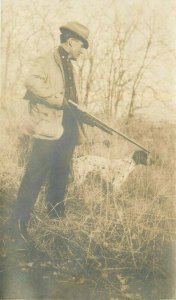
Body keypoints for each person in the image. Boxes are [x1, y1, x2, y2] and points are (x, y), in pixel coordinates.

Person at [10, 21, 89, 243]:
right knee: (35, 174)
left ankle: (55, 217)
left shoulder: (71, 66)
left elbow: (71, 98)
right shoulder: (46, 60)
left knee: (61, 172)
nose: (82, 51)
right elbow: (30, 81)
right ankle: (18, 225)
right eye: (81, 46)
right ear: (71, 41)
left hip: (69, 128)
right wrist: (57, 100)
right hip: (48, 127)